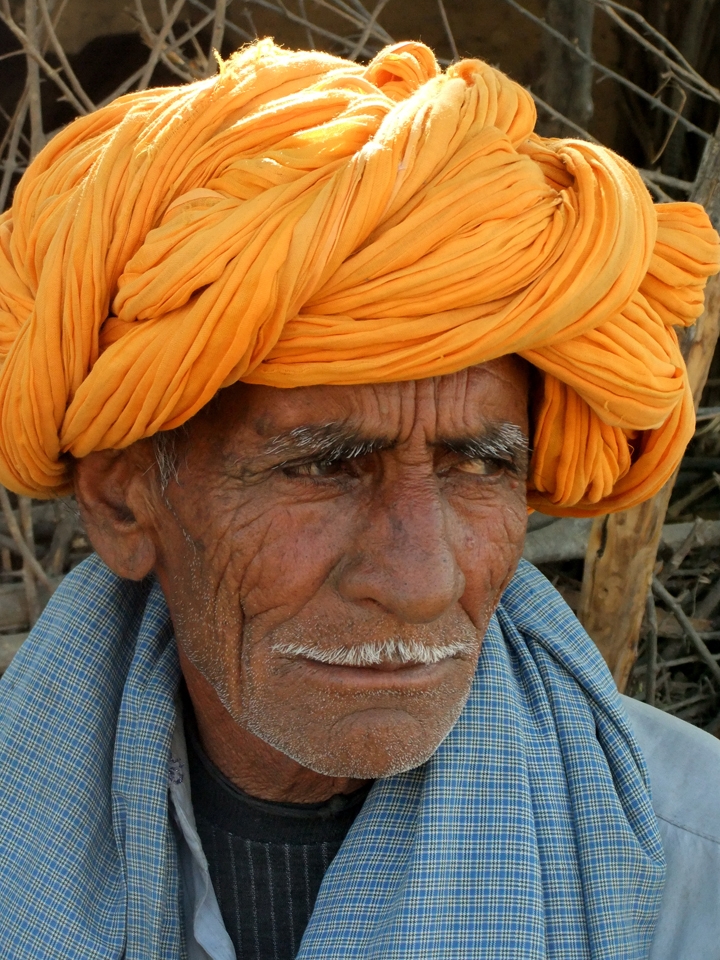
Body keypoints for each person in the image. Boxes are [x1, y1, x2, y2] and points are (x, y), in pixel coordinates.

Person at [0, 38, 718, 960]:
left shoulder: (688, 874)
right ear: (123, 505)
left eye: (476, 465)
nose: (419, 581)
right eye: (324, 465)